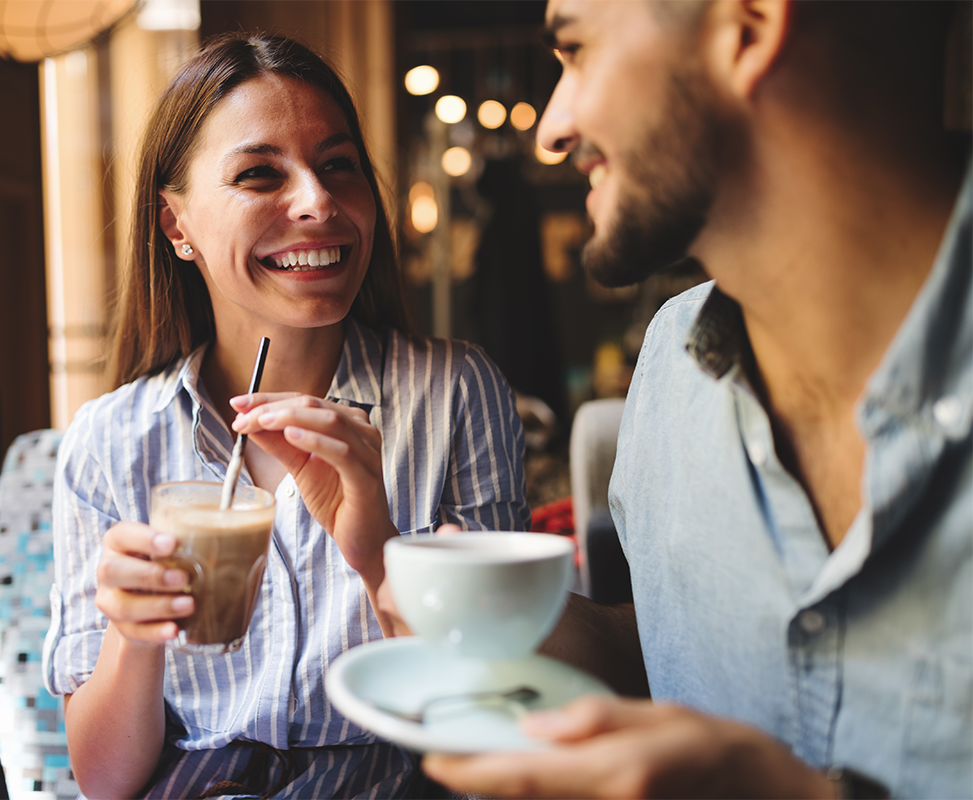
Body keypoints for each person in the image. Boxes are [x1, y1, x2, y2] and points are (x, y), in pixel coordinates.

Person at [408, 1, 971, 798]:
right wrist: (412, 572)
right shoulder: (674, 356)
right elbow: (666, 654)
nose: (552, 127)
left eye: (575, 51)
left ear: (748, 29)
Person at [41, 33, 529, 800]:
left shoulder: (458, 394)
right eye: (259, 174)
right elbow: (105, 782)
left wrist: (380, 558)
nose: (318, 201)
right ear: (177, 226)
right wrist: (133, 637)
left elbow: (500, 712)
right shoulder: (109, 442)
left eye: (338, 166)